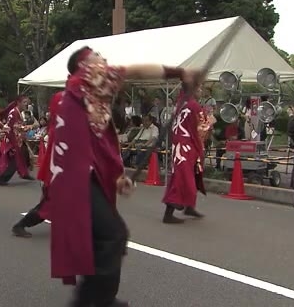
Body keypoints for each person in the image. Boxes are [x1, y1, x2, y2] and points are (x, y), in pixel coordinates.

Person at [48, 46, 198, 306]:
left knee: (105, 240)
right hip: (74, 182)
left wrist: (116, 177)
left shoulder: (84, 98)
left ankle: (101, 297)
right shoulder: (83, 82)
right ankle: (92, 301)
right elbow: (136, 70)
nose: (104, 60)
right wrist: (180, 72)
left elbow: (98, 146)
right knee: (113, 234)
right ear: (85, 66)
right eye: (97, 56)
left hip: (76, 179)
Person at [12, 90, 63, 237]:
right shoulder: (58, 128)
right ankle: (20, 225)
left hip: (61, 174)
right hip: (56, 174)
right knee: (47, 207)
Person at [162, 87, 216, 223]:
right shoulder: (194, 105)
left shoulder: (180, 104)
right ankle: (168, 214)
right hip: (187, 145)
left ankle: (189, 206)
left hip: (180, 143)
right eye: (198, 88)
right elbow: (203, 127)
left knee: (191, 174)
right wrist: (211, 120)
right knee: (182, 179)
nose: (200, 91)